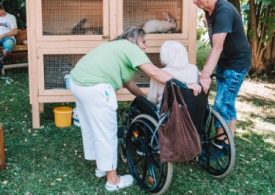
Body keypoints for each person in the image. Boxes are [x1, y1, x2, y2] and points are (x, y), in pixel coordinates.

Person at [69, 26, 201, 192]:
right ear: (135, 39)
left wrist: (144, 100)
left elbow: (128, 83)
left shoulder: (116, 48)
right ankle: (113, 180)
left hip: (77, 82)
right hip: (96, 88)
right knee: (106, 133)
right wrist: (185, 84)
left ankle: (101, 167)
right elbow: (154, 72)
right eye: (143, 42)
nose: (145, 47)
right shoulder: (130, 47)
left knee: (92, 128)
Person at [191, 0, 251, 152]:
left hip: (237, 63)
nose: (194, 1)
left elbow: (217, 47)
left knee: (221, 103)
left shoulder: (223, 12)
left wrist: (204, 75)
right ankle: (228, 142)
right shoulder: (210, 9)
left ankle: (219, 144)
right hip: (225, 61)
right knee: (228, 101)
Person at [147, 40, 199, 107]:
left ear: (164, 56)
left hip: (167, 114)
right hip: (192, 111)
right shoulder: (193, 69)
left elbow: (152, 100)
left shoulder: (160, 74)